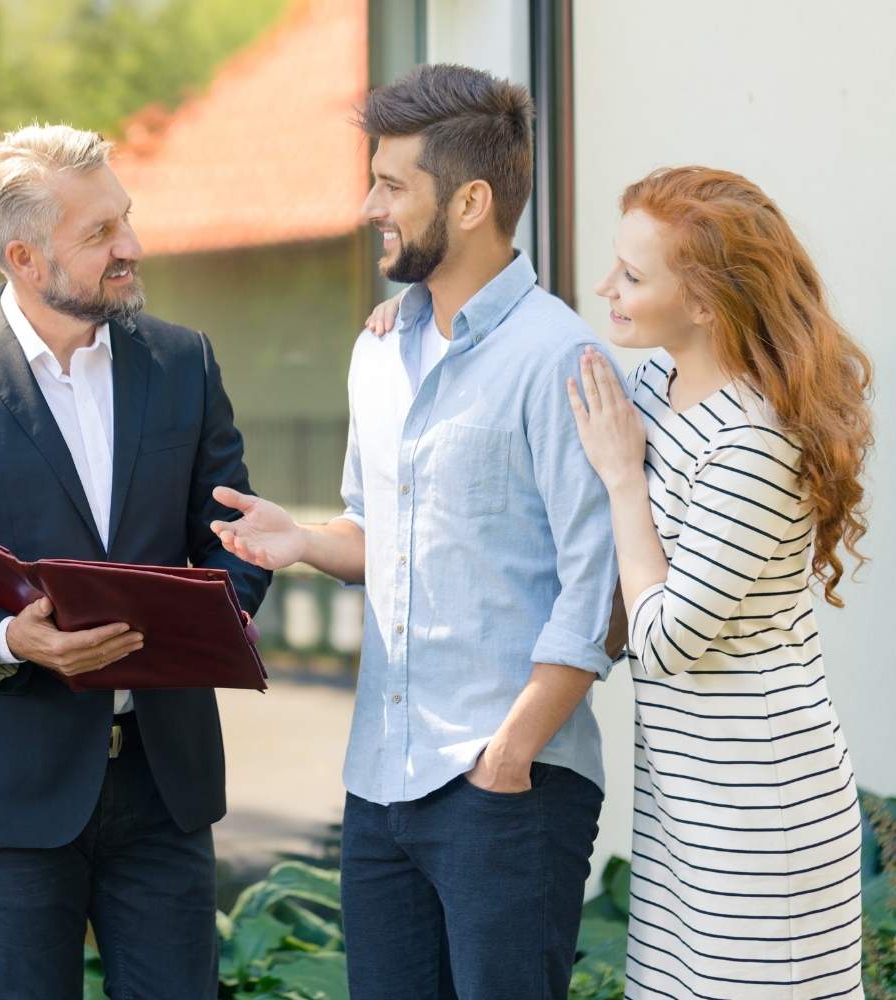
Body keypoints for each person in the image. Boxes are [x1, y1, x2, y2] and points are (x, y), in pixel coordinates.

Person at [211, 64, 619, 998]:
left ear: (471, 200)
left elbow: (595, 588)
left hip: (508, 788)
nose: (367, 207)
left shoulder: (559, 357)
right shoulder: (379, 350)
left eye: (391, 184)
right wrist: (305, 540)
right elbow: (377, 530)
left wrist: (507, 755)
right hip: (381, 784)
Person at [0, 123, 270, 999]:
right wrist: (13, 638)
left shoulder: (183, 362)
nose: (131, 247)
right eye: (100, 235)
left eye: (124, 219)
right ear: (23, 256)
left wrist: (208, 626)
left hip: (166, 778)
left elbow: (233, 537)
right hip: (16, 782)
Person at [568, 166, 869, 999]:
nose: (606, 286)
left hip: (759, 801)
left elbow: (663, 638)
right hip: (682, 795)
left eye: (632, 275)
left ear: (702, 302)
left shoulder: (752, 443)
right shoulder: (656, 389)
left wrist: (625, 480)